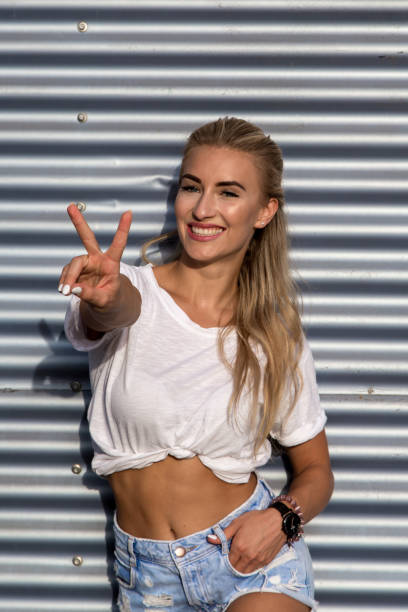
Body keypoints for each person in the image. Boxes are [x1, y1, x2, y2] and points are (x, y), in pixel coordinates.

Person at [60, 116, 334, 612]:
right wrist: (103, 298)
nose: (203, 209)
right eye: (192, 187)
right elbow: (114, 310)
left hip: (249, 562)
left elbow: (316, 471)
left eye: (229, 192)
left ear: (264, 210)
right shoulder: (128, 289)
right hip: (148, 576)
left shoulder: (275, 334)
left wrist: (280, 520)